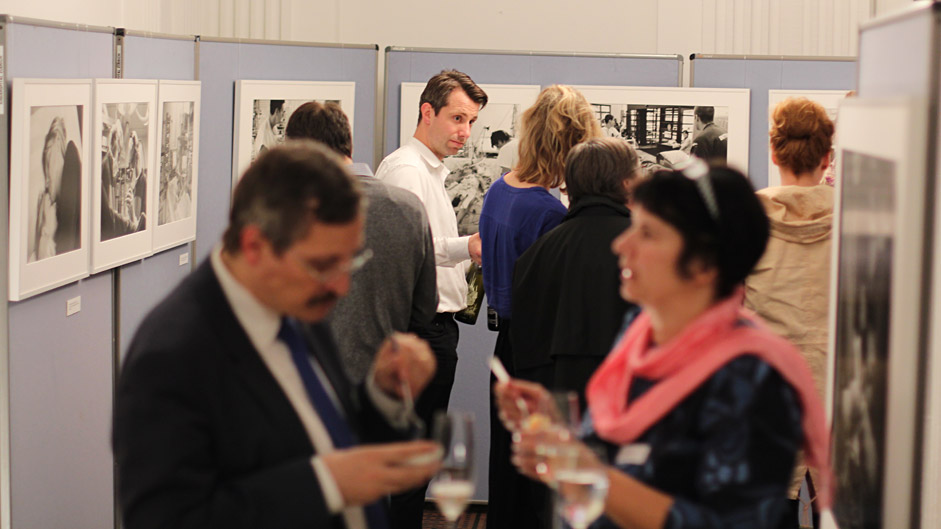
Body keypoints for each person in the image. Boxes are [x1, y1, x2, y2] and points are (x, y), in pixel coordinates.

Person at [113, 142, 442, 529]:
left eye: (350, 259)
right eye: (323, 265)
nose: (341, 286)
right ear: (254, 246)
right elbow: (168, 518)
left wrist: (380, 394)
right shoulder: (173, 355)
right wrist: (326, 483)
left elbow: (320, 427)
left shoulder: (297, 300)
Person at [497, 162, 832, 529]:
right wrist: (555, 423)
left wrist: (585, 471)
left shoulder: (750, 376)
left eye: (648, 234)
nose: (622, 244)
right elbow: (621, 456)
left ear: (705, 261)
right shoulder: (641, 332)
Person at [478, 84, 602, 529]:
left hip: (507, 349)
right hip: (541, 356)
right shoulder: (549, 213)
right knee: (541, 485)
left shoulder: (498, 191)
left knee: (508, 473)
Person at [373, 69, 488, 529]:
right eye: (457, 118)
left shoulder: (428, 170)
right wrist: (468, 246)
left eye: (473, 121)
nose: (465, 132)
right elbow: (406, 250)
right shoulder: (406, 170)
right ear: (427, 112)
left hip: (433, 328)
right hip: (418, 329)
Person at [285, 100, 438, 383]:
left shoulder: (292, 216)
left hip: (310, 386)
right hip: (386, 384)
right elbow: (425, 309)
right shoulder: (409, 208)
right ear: (349, 147)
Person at [745, 96, 835, 523]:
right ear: (828, 156)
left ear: (774, 150)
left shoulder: (746, 223)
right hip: (838, 406)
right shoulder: (860, 223)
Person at [510, 137, 641, 410]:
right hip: (630, 403)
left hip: (556, 412)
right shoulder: (645, 248)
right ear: (627, 183)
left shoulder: (536, 254)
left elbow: (524, 349)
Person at [33, 116, 82, 261]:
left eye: (51, 168)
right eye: (46, 171)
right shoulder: (47, 208)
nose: (48, 182)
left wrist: (47, 231)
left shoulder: (72, 159)